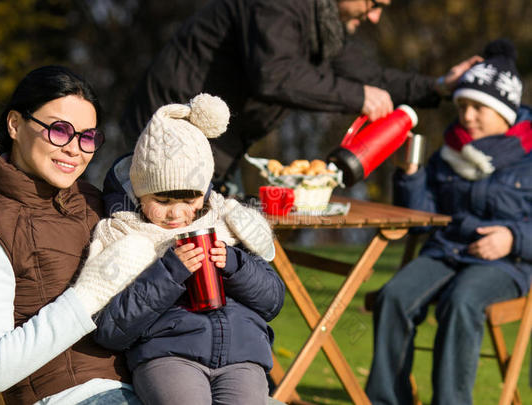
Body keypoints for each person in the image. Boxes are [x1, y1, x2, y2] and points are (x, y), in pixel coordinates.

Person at [120, 0, 482, 193]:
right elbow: (274, 75)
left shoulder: (324, 25)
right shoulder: (279, 6)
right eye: (374, 3)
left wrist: (436, 86)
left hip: (219, 148)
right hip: (166, 132)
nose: (374, 17)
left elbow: (372, 77)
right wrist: (358, 97)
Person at [0, 66, 142, 405]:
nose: (75, 149)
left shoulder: (96, 201)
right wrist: (88, 296)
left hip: (153, 382)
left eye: (87, 137)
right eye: (59, 130)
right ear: (15, 125)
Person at [85, 93, 285, 405]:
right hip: (168, 357)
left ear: (205, 193)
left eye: (189, 201)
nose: (176, 214)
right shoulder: (125, 237)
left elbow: (273, 300)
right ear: (139, 195)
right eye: (162, 202)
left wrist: (234, 264)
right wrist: (168, 272)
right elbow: (111, 328)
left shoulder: (230, 225)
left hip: (243, 358)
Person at [365, 39, 532, 405]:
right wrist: (410, 175)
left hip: (505, 262)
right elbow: (423, 221)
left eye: (478, 107)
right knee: (392, 296)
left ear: (505, 110)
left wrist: (512, 237)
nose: (467, 116)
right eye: (462, 106)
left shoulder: (529, 155)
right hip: (445, 251)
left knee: (460, 302)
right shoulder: (446, 154)